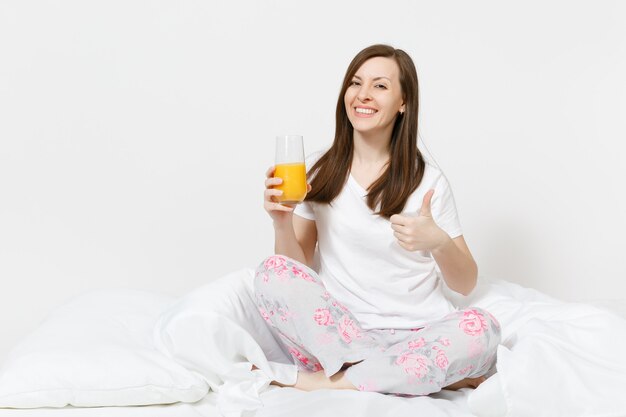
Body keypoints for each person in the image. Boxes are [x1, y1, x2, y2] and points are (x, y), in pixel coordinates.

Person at [256, 44, 501, 395]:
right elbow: (297, 269)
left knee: (483, 327)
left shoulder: (428, 181)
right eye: (356, 83)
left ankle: (326, 383)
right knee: (271, 272)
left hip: (419, 332)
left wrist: (439, 242)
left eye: (380, 86)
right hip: (339, 337)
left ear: (404, 103)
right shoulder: (318, 171)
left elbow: (465, 284)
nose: (363, 95)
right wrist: (281, 220)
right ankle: (406, 375)